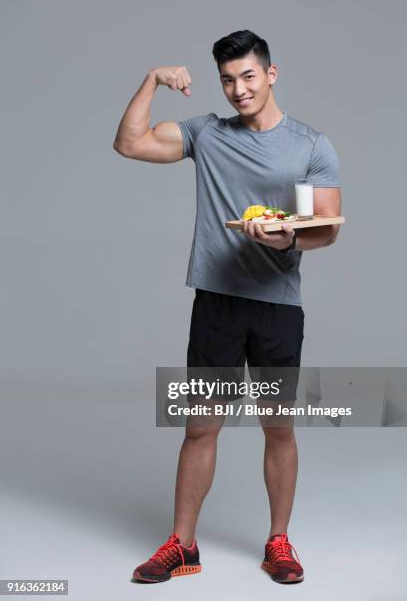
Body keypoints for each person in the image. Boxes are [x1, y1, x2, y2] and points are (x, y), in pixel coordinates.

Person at [113, 29, 341, 585]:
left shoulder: (311, 146)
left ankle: (278, 542)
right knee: (199, 429)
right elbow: (130, 142)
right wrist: (150, 80)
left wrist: (286, 237)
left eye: (248, 76)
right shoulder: (207, 134)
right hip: (216, 303)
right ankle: (181, 545)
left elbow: (326, 229)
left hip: (277, 307)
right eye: (228, 79)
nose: (238, 89)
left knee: (278, 427)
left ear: (270, 74)